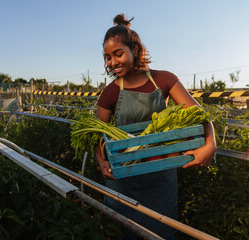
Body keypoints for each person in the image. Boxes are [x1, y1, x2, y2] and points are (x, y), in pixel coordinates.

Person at [94, 14, 217, 240]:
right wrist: (101, 161)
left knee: (160, 231)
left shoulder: (164, 80)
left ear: (135, 50)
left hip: (161, 178)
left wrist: (211, 144)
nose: (112, 62)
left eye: (118, 54)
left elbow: (200, 115)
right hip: (124, 179)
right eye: (107, 57)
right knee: (122, 231)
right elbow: (95, 135)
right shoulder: (111, 91)